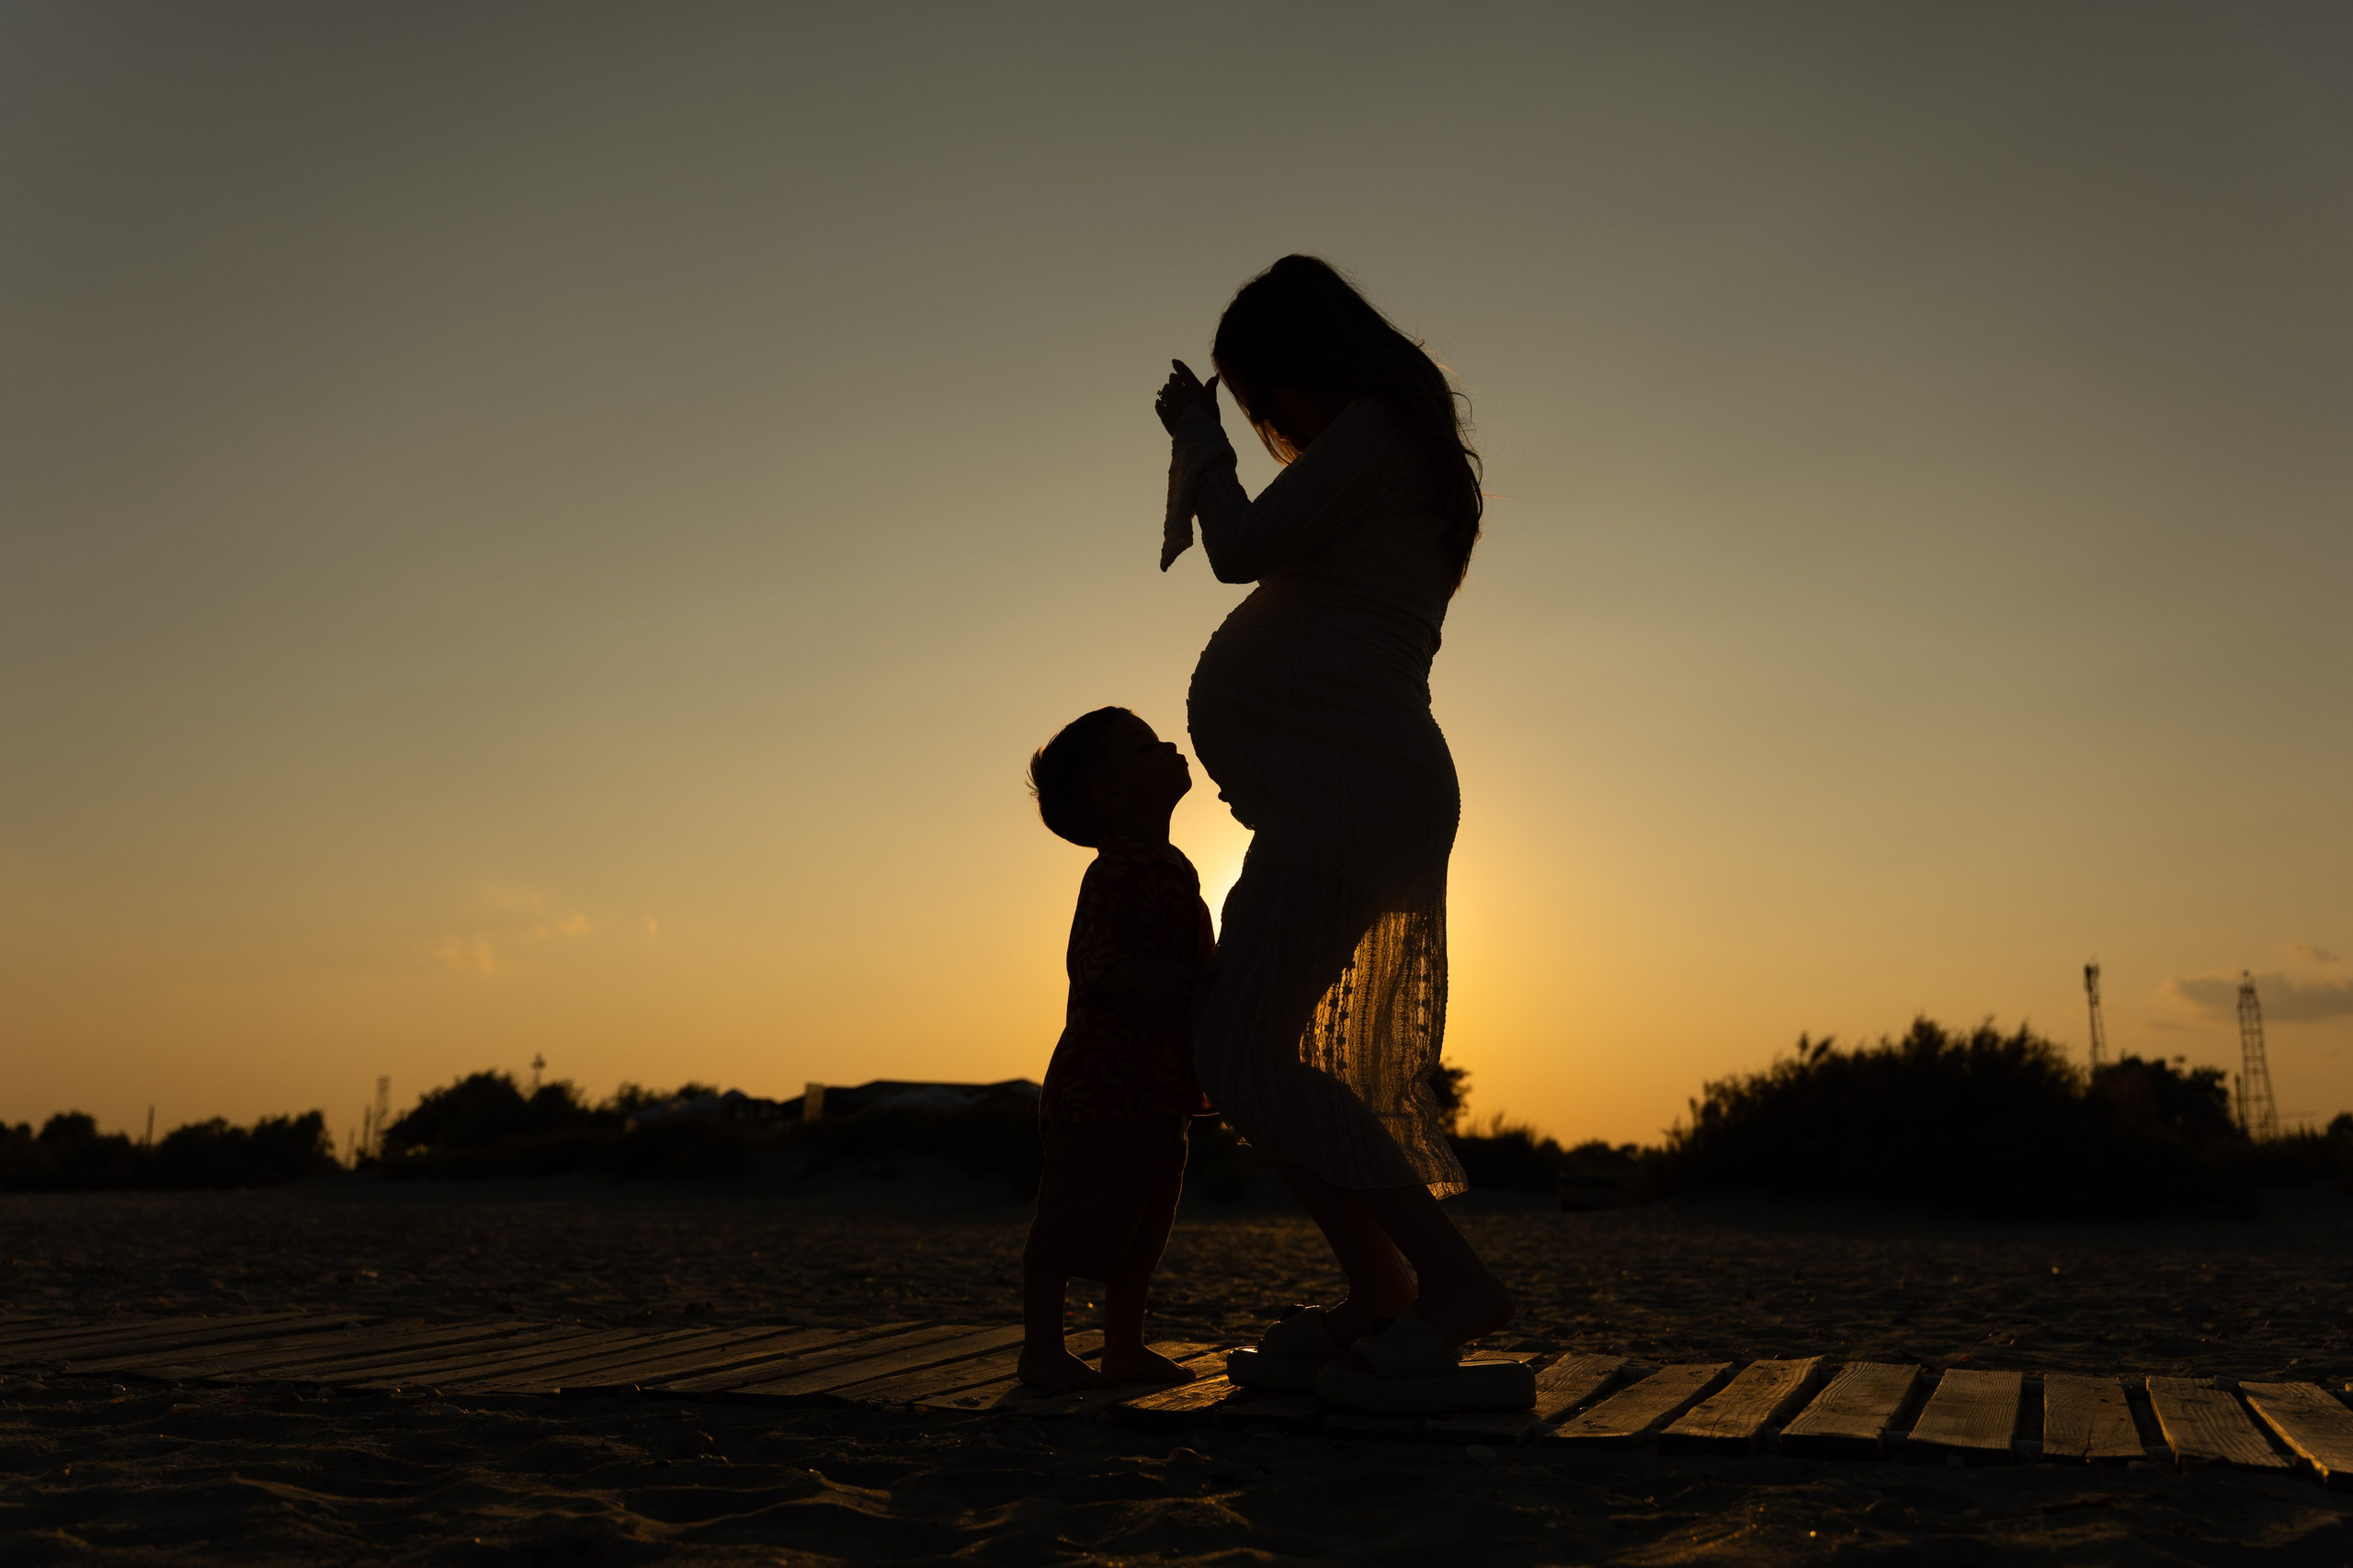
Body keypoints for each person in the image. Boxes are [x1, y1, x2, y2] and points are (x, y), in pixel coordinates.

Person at [1156, 256, 1519, 1403]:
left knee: (1244, 1051)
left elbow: (1238, 549)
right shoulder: (1379, 462)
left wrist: (1199, 444)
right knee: (1252, 1055)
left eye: (1262, 399)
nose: (1268, 425)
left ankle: (1447, 1285)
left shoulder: (1379, 434)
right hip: (1334, 790)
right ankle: (1377, 1288)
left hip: (1352, 787)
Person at [1016, 705, 1215, 1392]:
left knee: (1142, 1224)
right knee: (1070, 1218)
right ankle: (1041, 1349)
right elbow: (1094, 963)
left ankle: (1123, 1347)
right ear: (1112, 793)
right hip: (1103, 1082)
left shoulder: (1174, 866)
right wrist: (1164, 982)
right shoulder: (1114, 874)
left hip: (1159, 1083)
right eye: (1142, 745)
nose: (1167, 745)